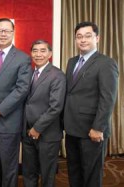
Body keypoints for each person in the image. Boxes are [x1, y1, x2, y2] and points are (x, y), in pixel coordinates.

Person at [64, 22, 118, 187]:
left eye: (88, 36)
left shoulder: (105, 63)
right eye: (79, 36)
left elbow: (107, 99)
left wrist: (98, 127)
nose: (83, 40)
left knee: (91, 176)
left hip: (92, 130)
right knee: (74, 172)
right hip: (72, 128)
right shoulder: (72, 62)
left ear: (97, 38)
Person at [0, 18, 32, 187]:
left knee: (9, 165)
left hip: (9, 121)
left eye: (7, 31)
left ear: (13, 32)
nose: (3, 34)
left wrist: (0, 110)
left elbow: (22, 89)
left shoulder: (23, 58)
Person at [22, 40, 66, 187]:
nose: (38, 54)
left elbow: (56, 107)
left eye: (42, 51)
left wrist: (37, 129)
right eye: (35, 51)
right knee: (29, 172)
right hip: (27, 132)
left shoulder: (57, 75)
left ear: (50, 54)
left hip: (47, 134)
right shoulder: (28, 73)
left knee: (47, 174)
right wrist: (29, 130)